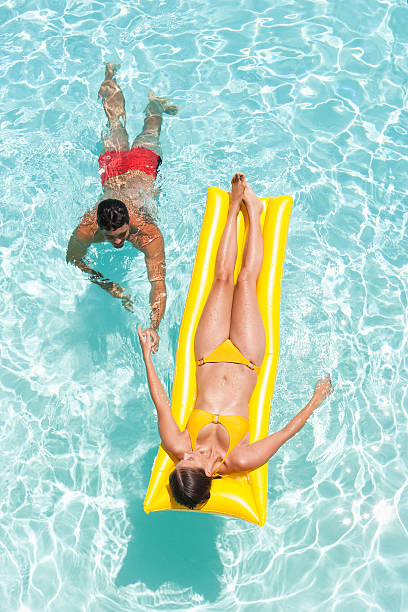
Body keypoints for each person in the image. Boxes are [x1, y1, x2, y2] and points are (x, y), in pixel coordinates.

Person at [138, 173, 334, 509]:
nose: (188, 455)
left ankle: (232, 208)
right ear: (208, 474)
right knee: (245, 281)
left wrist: (146, 355)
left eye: (181, 461)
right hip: (246, 356)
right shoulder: (241, 460)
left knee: (222, 278)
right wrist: (315, 400)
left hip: (208, 354)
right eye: (192, 462)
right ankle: (255, 213)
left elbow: (159, 398)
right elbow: (284, 433)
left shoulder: (176, 444)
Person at [66, 63, 178, 351]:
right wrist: (107, 283)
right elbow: (73, 258)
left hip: (142, 166)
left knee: (150, 131)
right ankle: (109, 76)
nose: (117, 242)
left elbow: (159, 285)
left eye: (122, 234)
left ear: (130, 220)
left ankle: (155, 104)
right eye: (111, 235)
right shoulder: (88, 227)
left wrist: (154, 325)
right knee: (114, 123)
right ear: (99, 224)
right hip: (114, 172)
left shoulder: (149, 234)